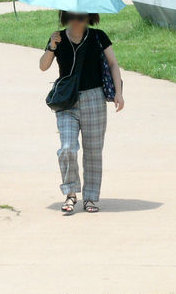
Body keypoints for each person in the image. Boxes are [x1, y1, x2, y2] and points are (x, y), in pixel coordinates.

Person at [39, 11, 124, 215]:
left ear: (89, 18)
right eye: (72, 17)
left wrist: (118, 93)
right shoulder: (57, 38)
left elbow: (113, 63)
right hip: (67, 101)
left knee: (93, 151)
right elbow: (43, 66)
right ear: (66, 18)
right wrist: (52, 46)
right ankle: (70, 193)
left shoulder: (98, 36)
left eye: (81, 17)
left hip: (94, 98)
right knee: (67, 148)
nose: (76, 22)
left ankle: (91, 198)